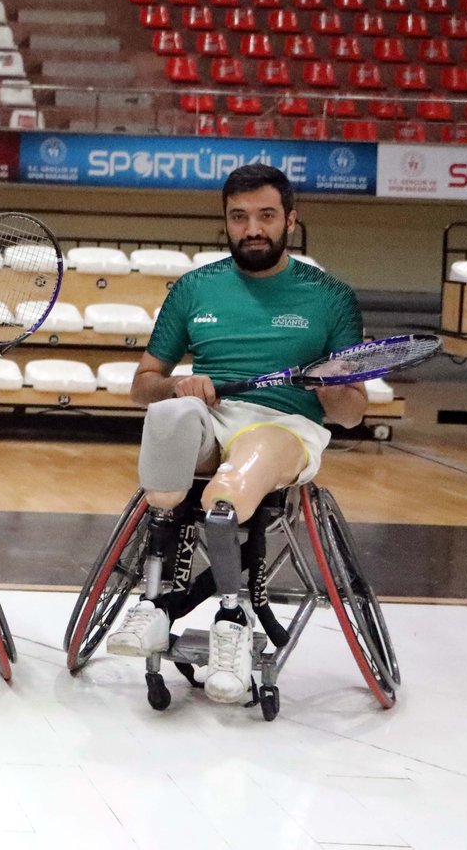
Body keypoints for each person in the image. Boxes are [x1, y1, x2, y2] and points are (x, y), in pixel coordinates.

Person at [104, 163, 367, 703]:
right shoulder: (195, 289)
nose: (253, 229)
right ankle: (153, 608)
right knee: (169, 416)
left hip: (285, 426)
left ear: (290, 219)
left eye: (266, 216)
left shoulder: (330, 296)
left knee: (232, 484)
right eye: (239, 217)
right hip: (212, 418)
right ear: (225, 221)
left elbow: (351, 414)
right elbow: (141, 387)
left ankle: (232, 623)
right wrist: (177, 386)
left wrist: (329, 388)